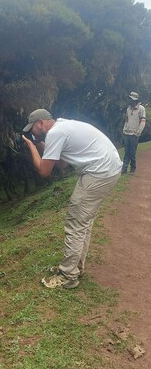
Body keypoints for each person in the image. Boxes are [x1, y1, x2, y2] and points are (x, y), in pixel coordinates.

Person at [22, 109, 122, 289]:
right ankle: (75, 267)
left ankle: (68, 275)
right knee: (83, 222)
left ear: (41, 124)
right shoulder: (62, 127)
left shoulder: (55, 133)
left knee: (75, 222)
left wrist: (31, 146)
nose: (32, 132)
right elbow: (61, 163)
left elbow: (44, 171)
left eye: (33, 128)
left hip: (99, 172)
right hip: (108, 169)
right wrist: (39, 143)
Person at [122, 91, 146, 174]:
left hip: (135, 134)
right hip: (127, 133)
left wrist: (138, 132)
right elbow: (126, 121)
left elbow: (142, 122)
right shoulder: (128, 109)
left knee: (132, 152)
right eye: (130, 99)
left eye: (132, 99)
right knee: (126, 152)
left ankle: (133, 168)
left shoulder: (141, 109)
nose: (130, 101)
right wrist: (124, 130)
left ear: (136, 100)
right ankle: (124, 168)